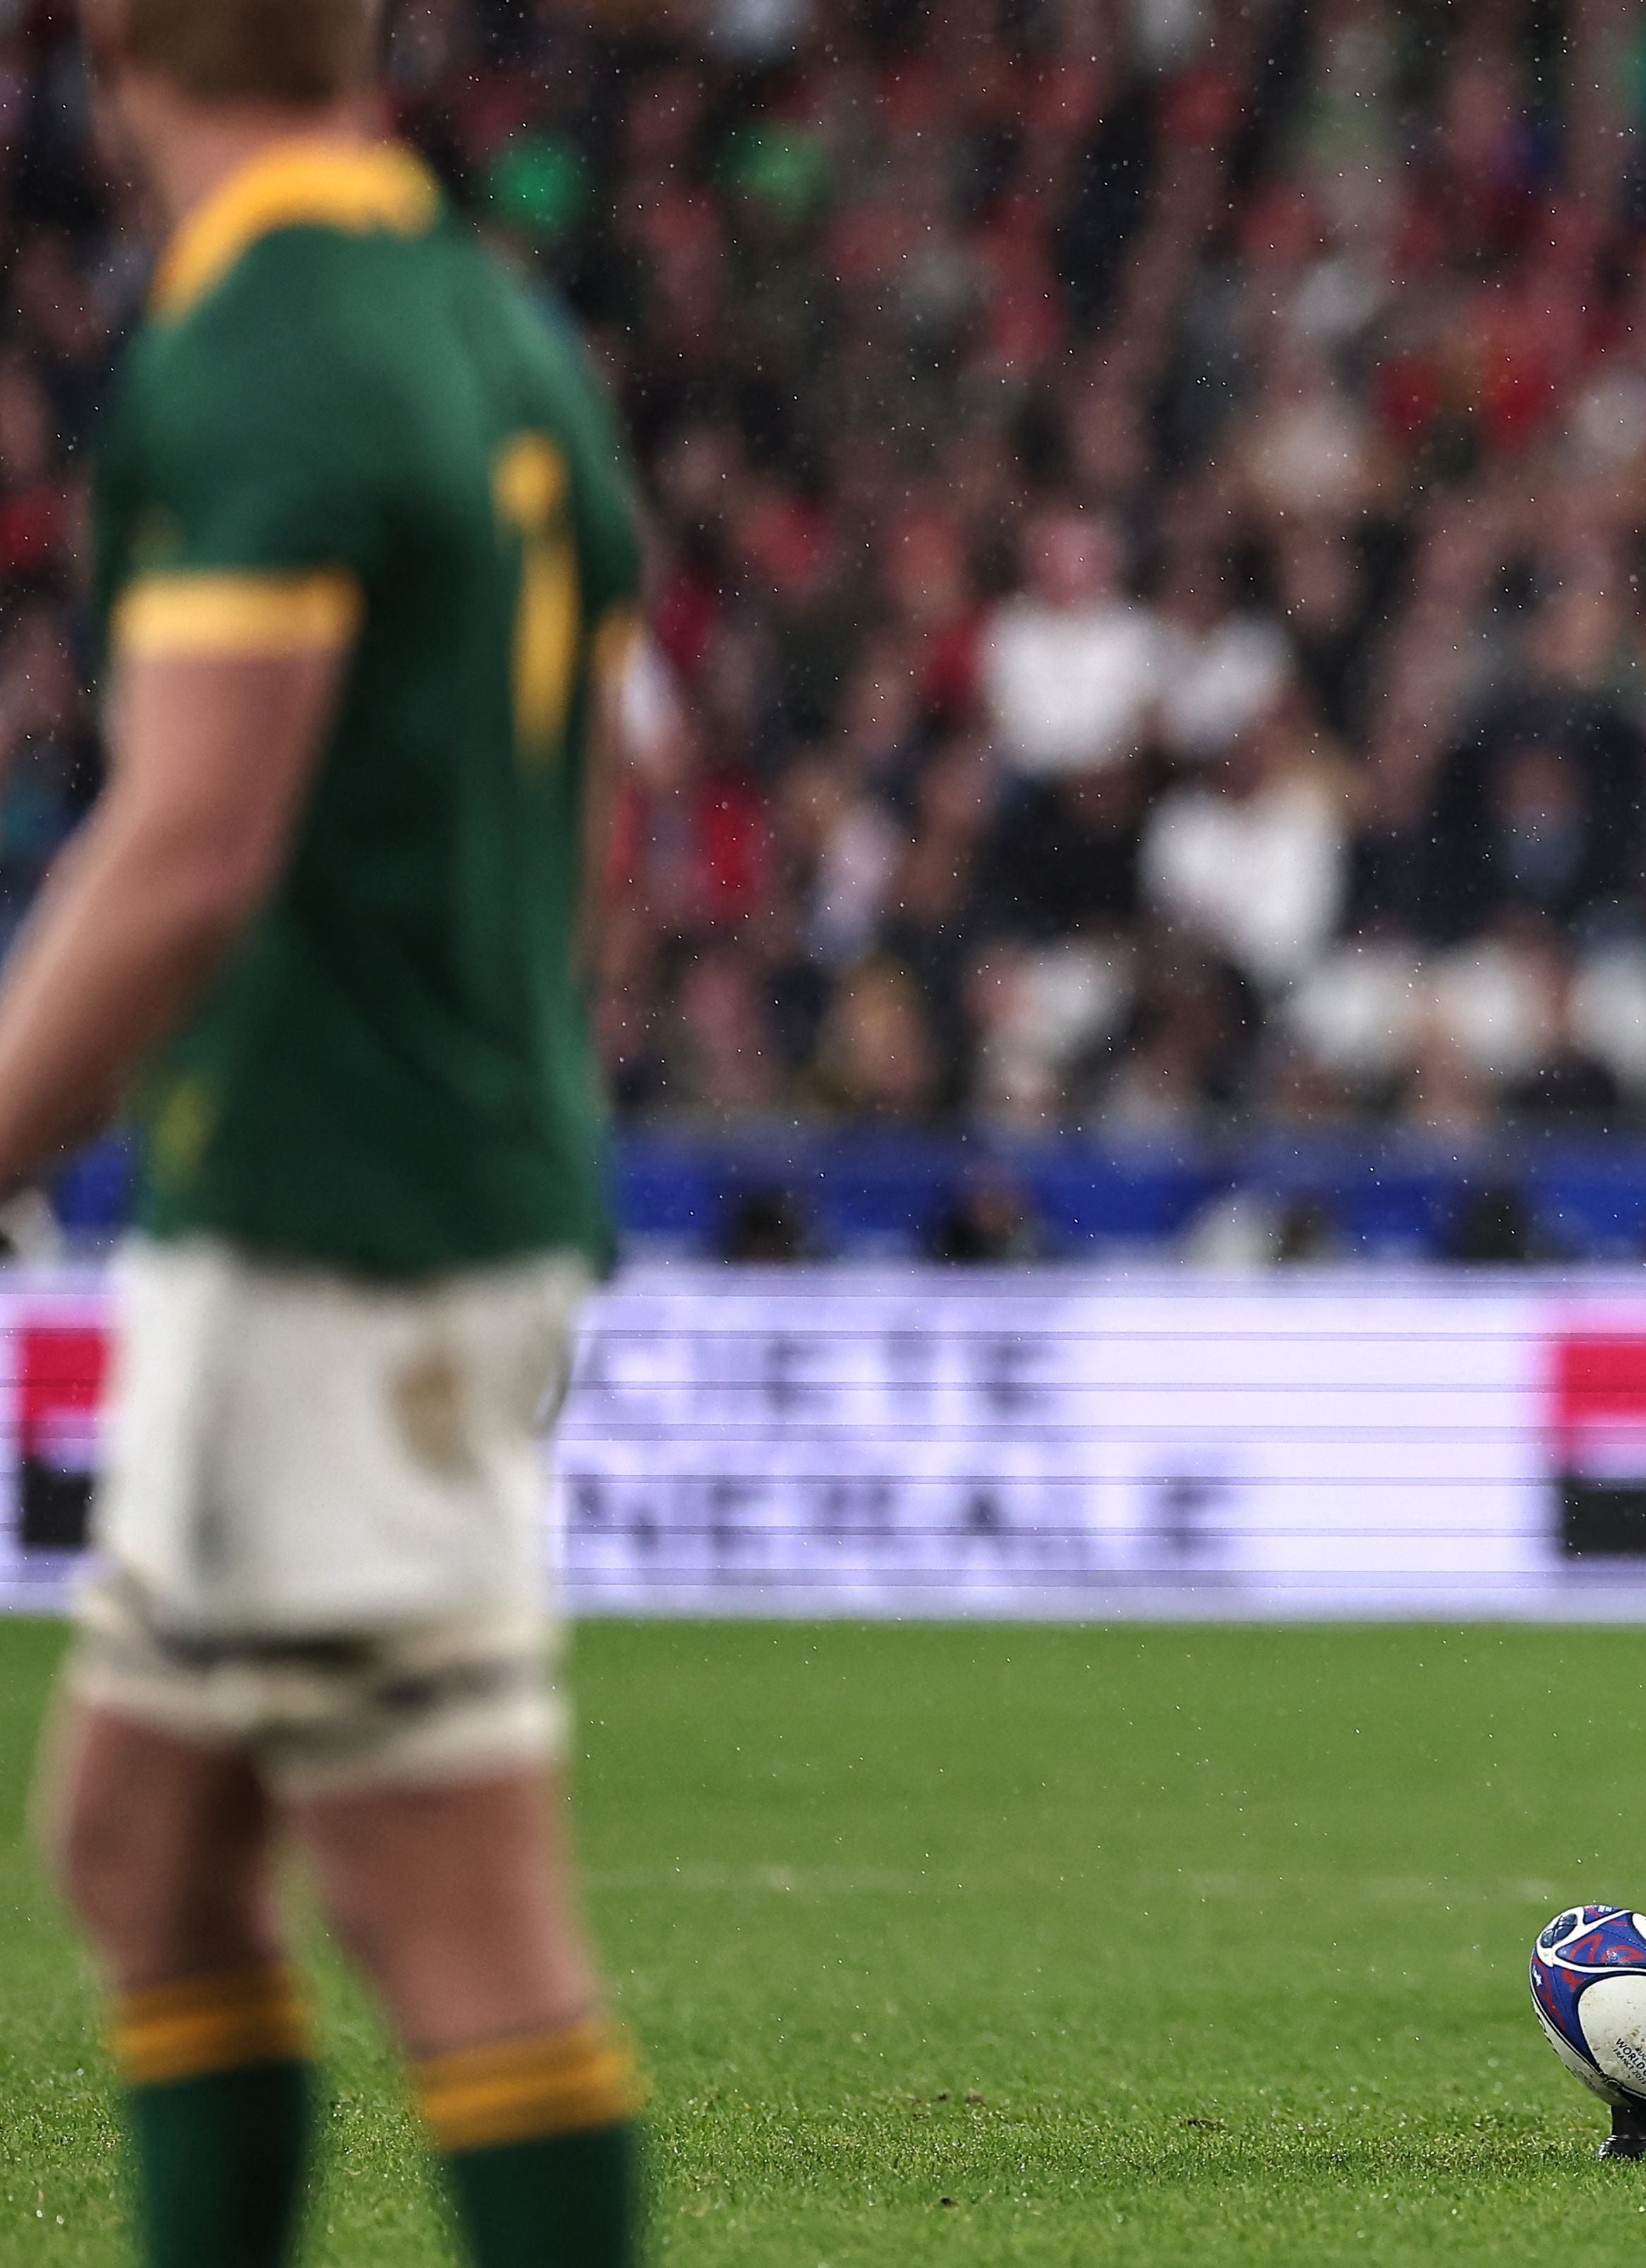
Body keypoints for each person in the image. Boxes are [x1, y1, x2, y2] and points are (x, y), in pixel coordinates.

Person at [12, 1, 648, 2259]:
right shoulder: (490, 321)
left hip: (338, 1236)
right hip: (371, 1193)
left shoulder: (260, 346)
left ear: (110, 61)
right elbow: (608, 797)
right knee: (142, 1840)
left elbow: (185, 850)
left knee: (448, 1904)